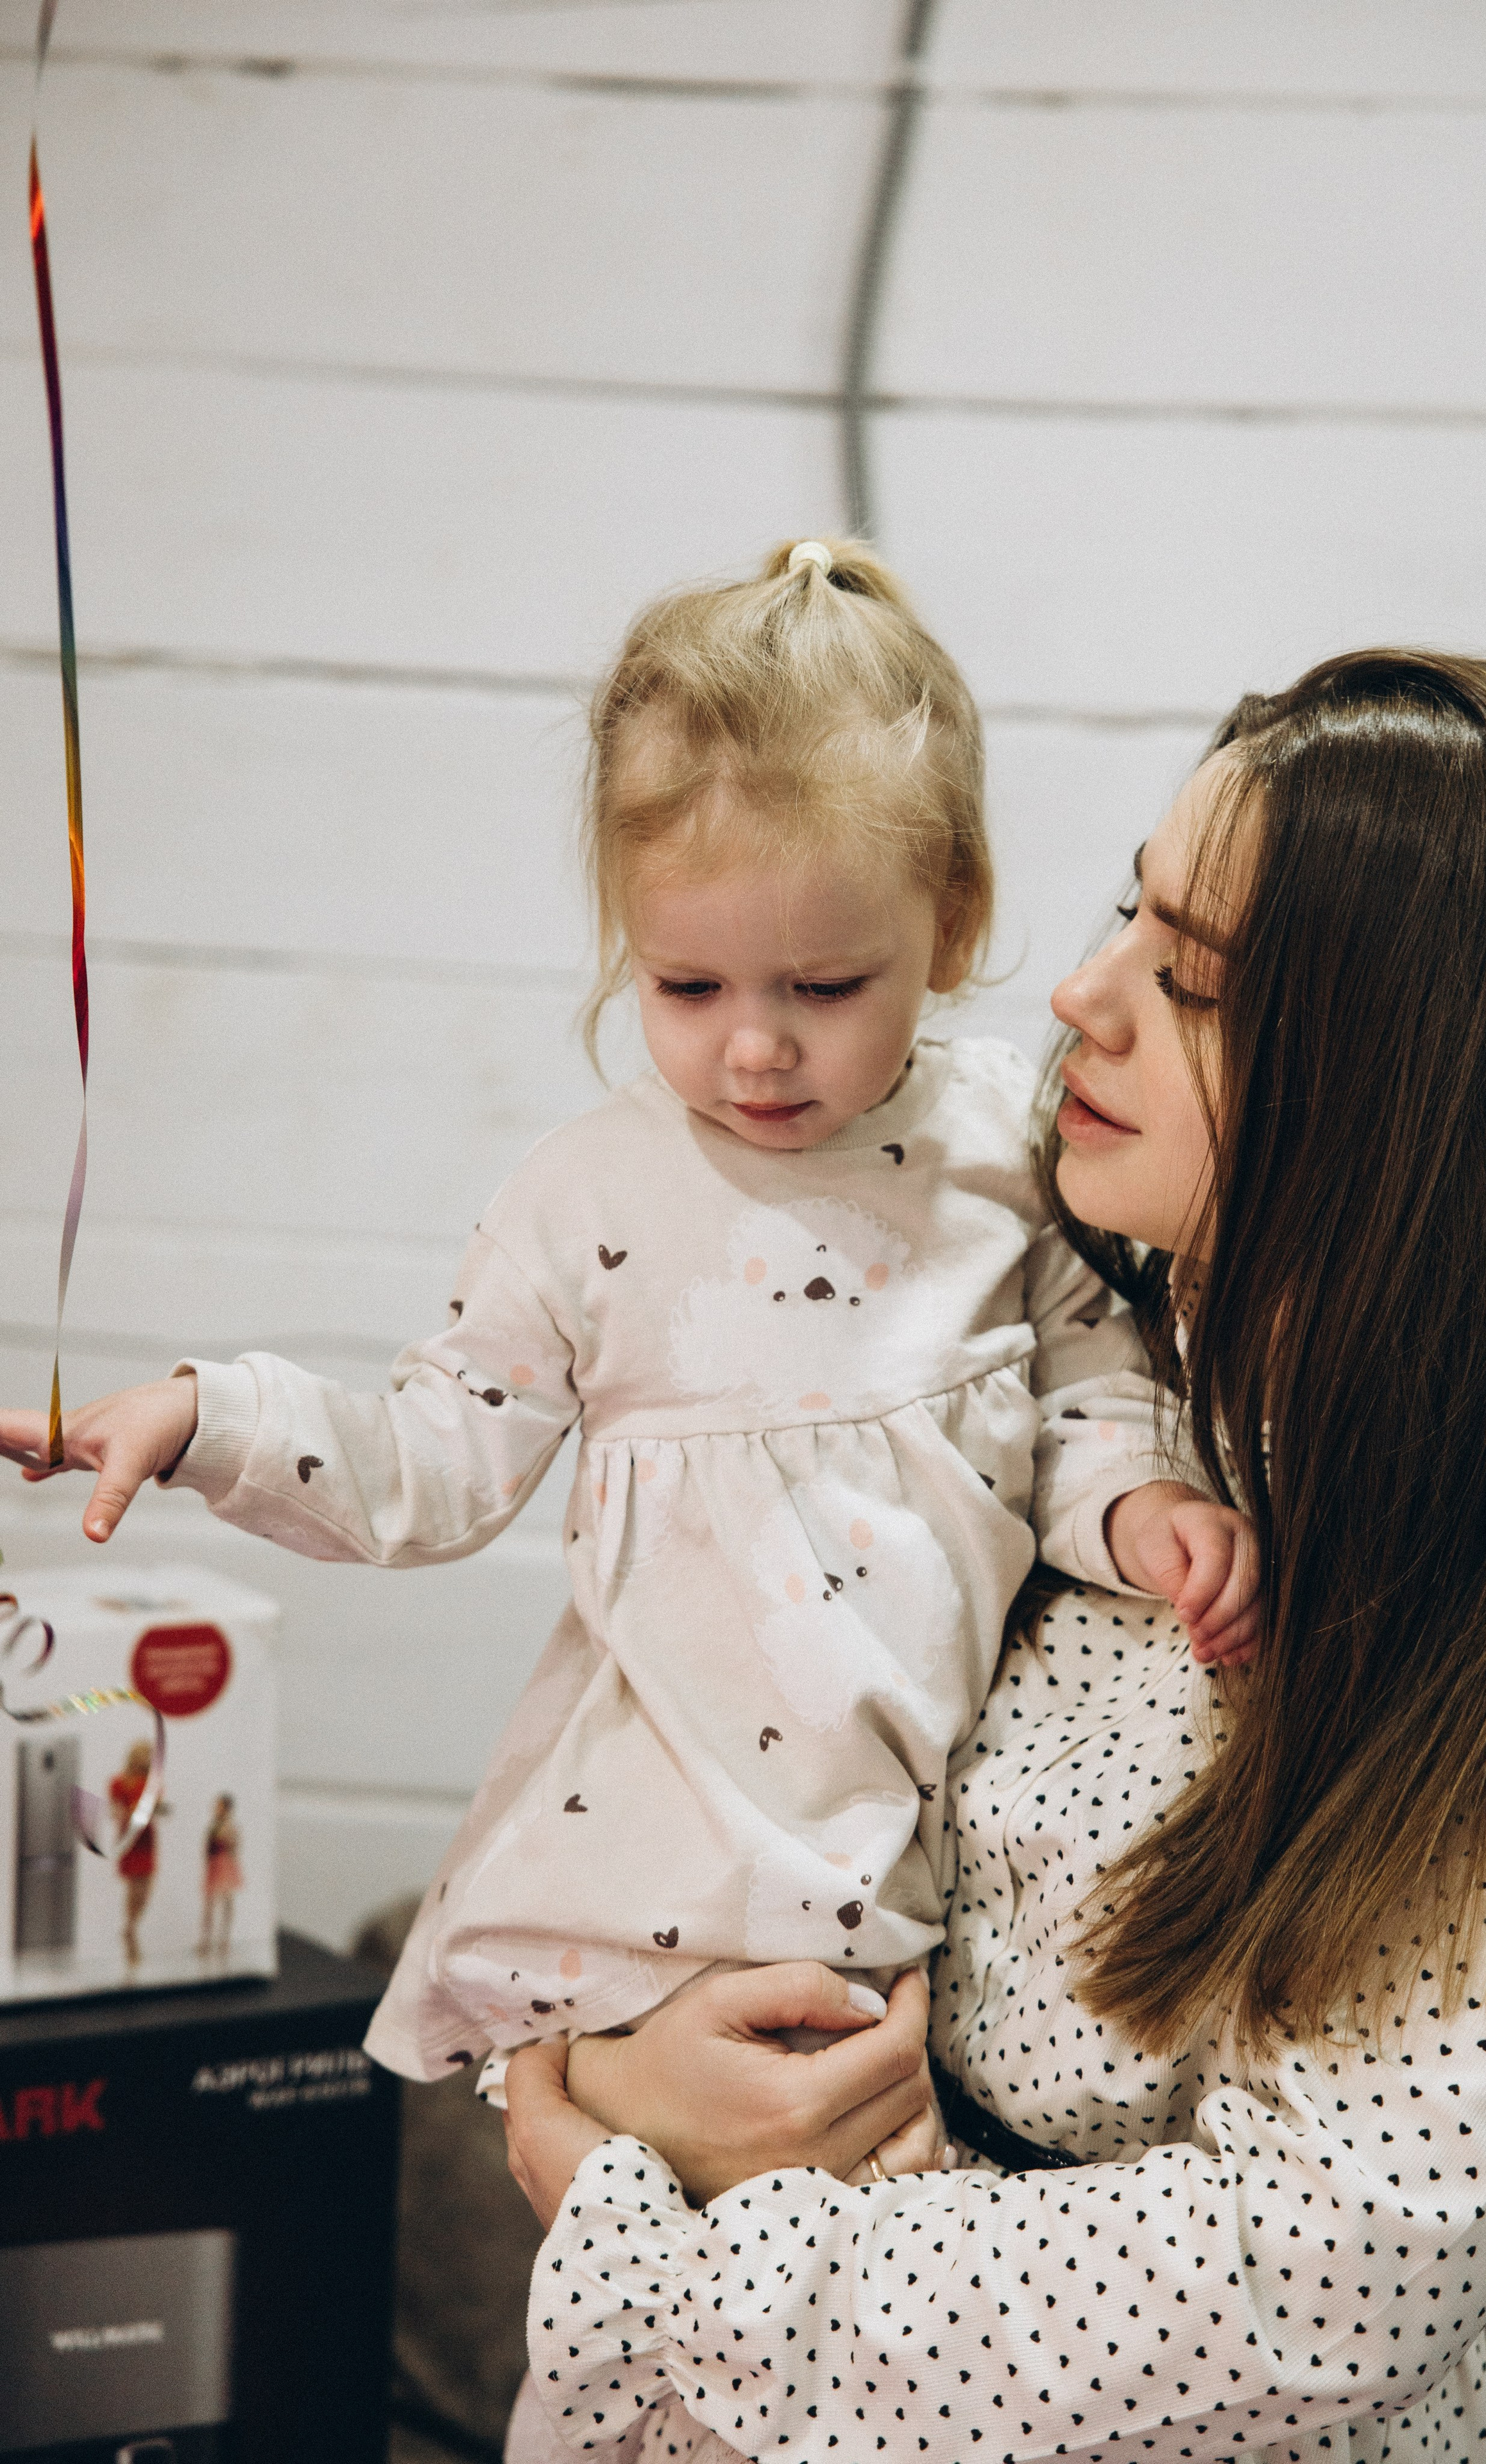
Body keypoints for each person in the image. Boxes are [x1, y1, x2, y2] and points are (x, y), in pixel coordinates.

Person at [499, 648, 1486, 2464]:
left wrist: (665, 2244)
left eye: (1194, 981)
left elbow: (1326, 2277)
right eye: (1130, 909)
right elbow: (683, 1746)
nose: (1082, 995)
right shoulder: (1044, 1348)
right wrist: (587, 2063)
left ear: (1415, 1095)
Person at [0, 539, 1254, 2111]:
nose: (752, 1048)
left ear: (950, 923)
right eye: (685, 985)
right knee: (653, 2198)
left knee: (861, 2199)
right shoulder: (585, 1197)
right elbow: (428, 1465)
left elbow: (1084, 1382)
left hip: (921, 1866)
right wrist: (209, 1418)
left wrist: (1140, 1508)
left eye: (821, 986)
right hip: (663, 1863)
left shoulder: (1001, 1143)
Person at [108, 1736, 166, 1965]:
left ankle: (130, 1927)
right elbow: (115, 1811)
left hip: (147, 1839)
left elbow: (155, 1807)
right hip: (130, 1838)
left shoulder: (152, 1782)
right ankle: (130, 1933)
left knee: (147, 1889)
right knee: (134, 1889)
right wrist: (128, 1813)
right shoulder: (120, 1782)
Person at [198, 1790, 243, 1957]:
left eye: (219, 1806)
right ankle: (206, 1941)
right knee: (210, 1905)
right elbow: (207, 1848)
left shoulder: (229, 1826)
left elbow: (234, 1846)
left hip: (224, 1865)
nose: (216, 1808)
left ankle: (224, 1940)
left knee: (226, 1903)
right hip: (214, 1866)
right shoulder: (214, 1825)